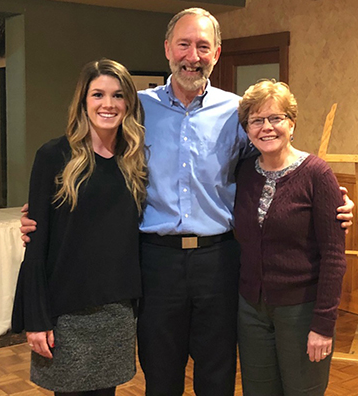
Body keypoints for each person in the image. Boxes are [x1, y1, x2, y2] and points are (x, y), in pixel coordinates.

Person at [20, 8, 354, 396]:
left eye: (202, 46)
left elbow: (275, 157)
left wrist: (330, 194)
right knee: (161, 375)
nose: (191, 56)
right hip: (154, 262)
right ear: (167, 49)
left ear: (216, 52)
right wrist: (46, 213)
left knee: (218, 373)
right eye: (183, 44)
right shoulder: (137, 109)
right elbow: (98, 167)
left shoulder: (236, 112)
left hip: (220, 261)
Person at [12, 59, 147, 396]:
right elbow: (37, 246)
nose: (108, 104)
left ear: (128, 103)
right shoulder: (53, 157)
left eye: (118, 96)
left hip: (116, 311)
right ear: (83, 101)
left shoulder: (134, 162)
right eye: (98, 94)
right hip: (65, 314)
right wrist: (36, 318)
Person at [234, 80, 347, 395]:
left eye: (276, 118)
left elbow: (334, 258)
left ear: (292, 123)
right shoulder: (243, 173)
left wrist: (323, 325)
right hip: (251, 310)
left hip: (302, 310)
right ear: (247, 129)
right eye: (257, 120)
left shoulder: (317, 174)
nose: (266, 127)